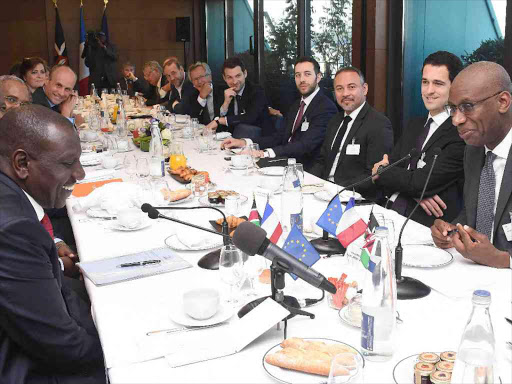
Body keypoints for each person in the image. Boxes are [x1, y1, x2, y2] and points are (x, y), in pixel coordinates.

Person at [0, 105, 106, 383]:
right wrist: (115, 352)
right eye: (67, 163)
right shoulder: (13, 231)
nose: (80, 174)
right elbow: (62, 346)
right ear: (22, 164)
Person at [431, 61, 512, 269]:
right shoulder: (473, 151)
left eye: (467, 107)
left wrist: (502, 259)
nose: (456, 120)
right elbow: (473, 212)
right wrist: (454, 229)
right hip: (476, 274)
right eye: (453, 109)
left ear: (503, 102)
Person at [372, 51, 465, 227]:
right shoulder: (414, 125)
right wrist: (414, 190)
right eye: (425, 82)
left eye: (438, 83)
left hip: (425, 226)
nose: (429, 91)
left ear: (454, 87)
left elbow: (419, 182)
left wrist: (383, 171)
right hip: (386, 212)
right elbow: (396, 173)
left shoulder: (460, 133)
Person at [222, 57, 337, 170]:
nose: (302, 79)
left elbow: (305, 145)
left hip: (306, 169)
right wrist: (243, 142)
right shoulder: (296, 105)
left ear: (318, 77)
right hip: (284, 161)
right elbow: (279, 137)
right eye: (297, 75)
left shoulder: (326, 107)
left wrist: (267, 153)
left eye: (307, 74)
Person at [309, 67, 393, 198]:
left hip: (352, 197)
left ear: (364, 89)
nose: (345, 94)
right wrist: (307, 182)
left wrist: (336, 189)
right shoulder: (334, 121)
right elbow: (322, 160)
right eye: (339, 88)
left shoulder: (379, 124)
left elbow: (373, 175)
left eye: (351, 87)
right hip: (322, 192)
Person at [204, 57, 272, 139]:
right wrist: (226, 104)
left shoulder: (256, 91)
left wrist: (221, 121)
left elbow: (250, 117)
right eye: (229, 77)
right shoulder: (223, 91)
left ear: (245, 74)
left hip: (258, 140)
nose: (234, 81)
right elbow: (217, 125)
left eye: (238, 76)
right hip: (232, 140)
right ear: (224, 78)